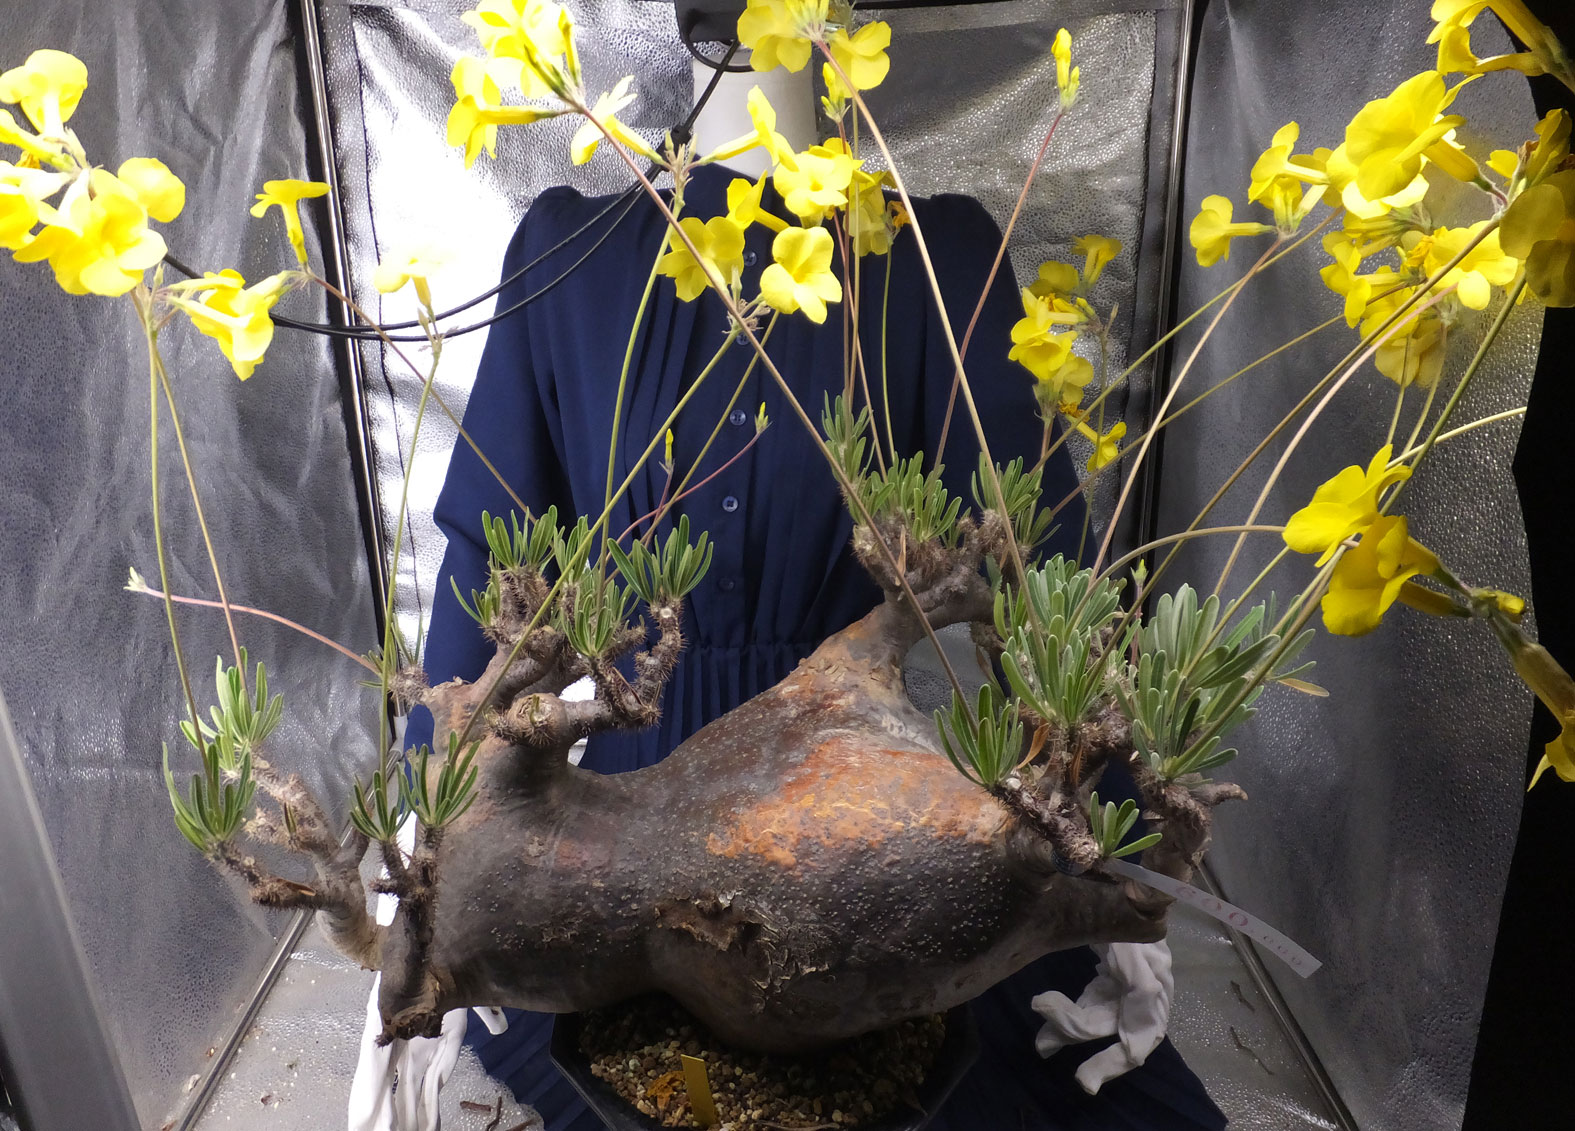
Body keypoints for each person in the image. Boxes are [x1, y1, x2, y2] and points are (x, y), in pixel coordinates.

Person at [401, 52, 1225, 1131]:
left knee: (944, 1068)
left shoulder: (934, 256)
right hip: (616, 845)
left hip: (867, 826)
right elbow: (489, 563)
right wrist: (435, 852)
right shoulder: (566, 253)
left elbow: (1045, 571)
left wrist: (1111, 860)